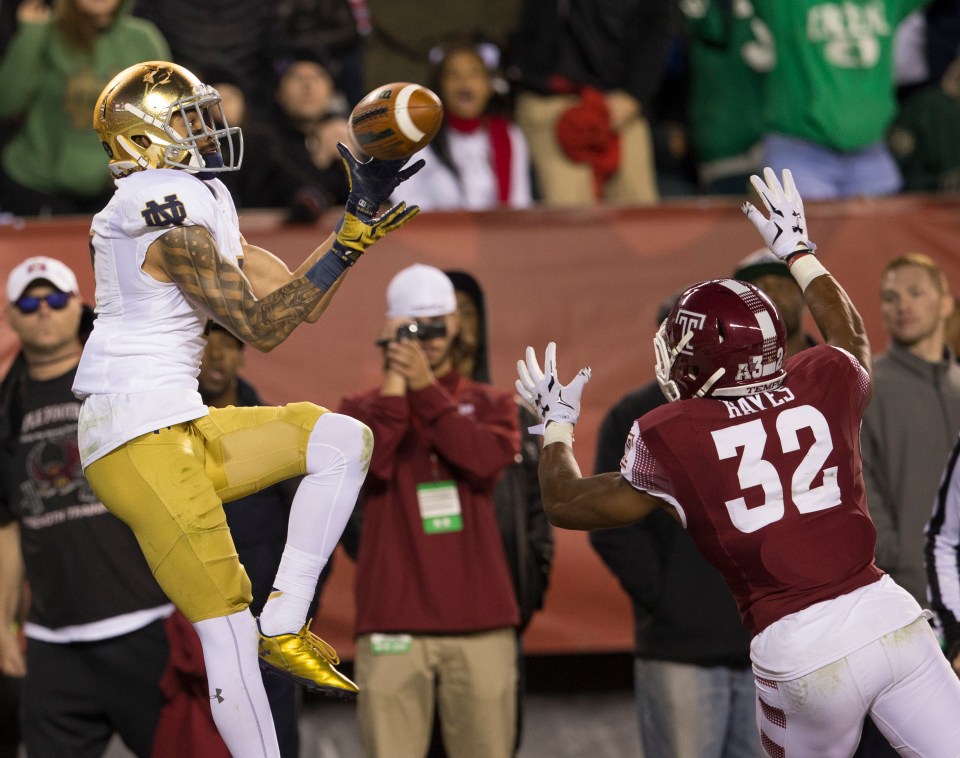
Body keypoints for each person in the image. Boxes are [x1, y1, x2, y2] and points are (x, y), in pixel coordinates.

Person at [516, 167, 960, 756]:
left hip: (802, 651)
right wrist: (800, 253)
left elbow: (565, 503)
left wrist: (556, 426)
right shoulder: (820, 377)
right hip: (887, 617)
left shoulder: (675, 434)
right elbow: (850, 338)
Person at [71, 60, 423, 758]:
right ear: (142, 139)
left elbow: (290, 297)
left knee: (340, 440)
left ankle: (285, 622)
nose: (204, 128)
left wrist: (353, 226)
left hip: (177, 422)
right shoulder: (154, 207)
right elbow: (261, 327)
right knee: (226, 627)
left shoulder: (196, 195)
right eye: (184, 118)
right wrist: (346, 242)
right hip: (132, 433)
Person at [338, 263, 521, 758]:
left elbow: (484, 463)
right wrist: (396, 386)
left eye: (438, 325)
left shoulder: (492, 403)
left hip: (480, 619)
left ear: (457, 323)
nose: (429, 340)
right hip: (391, 621)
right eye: (414, 328)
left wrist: (424, 390)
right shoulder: (360, 409)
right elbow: (369, 469)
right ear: (391, 330)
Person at [0, 256, 173, 757]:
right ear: (10, 317)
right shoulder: (6, 411)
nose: (44, 311)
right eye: (29, 303)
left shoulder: (123, 380)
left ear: (78, 306)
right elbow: (8, 527)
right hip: (53, 646)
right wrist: (3, 625)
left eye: (55, 298)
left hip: (148, 624)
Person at [589, 287, 766, 758]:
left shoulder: (757, 408)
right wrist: (669, 599)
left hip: (765, 644)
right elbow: (610, 526)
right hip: (680, 649)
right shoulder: (635, 418)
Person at [150, 322, 306, 758]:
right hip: (191, 627)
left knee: (274, 739)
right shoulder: (162, 436)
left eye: (228, 345)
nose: (216, 354)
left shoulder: (274, 428)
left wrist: (292, 605)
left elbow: (310, 523)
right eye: (205, 345)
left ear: (242, 355)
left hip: (264, 627)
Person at [0, 0, 169, 216]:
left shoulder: (143, 38)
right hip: (38, 183)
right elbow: (6, 104)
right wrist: (30, 36)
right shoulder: (45, 32)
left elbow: (163, 117)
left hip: (116, 187)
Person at [860, 253, 960, 607]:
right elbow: (859, 484)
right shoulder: (866, 387)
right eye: (891, 297)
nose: (903, 305)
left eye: (915, 293)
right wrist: (896, 557)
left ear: (945, 304)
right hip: (910, 598)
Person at [508, 0, 669, 206]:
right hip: (552, 103)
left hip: (621, 103)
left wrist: (635, 94)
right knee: (572, 216)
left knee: (638, 215)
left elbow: (656, 28)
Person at [391, 38, 533, 211]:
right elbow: (404, 201)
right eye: (454, 75)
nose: (465, 83)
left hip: (497, 228)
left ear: (489, 85)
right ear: (440, 85)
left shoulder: (510, 134)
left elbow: (520, 202)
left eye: (474, 74)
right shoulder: (418, 137)